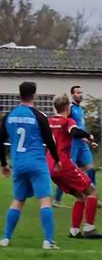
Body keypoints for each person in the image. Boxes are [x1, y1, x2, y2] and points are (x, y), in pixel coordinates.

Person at [0, 82, 61, 249]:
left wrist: (4, 164)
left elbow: (0, 140)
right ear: (34, 95)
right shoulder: (38, 116)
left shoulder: (9, 115)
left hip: (18, 164)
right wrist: (57, 159)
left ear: (19, 94)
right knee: (45, 200)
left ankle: (5, 238)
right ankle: (48, 241)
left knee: (18, 200)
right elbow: (49, 140)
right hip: (36, 163)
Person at [46, 94, 102, 239]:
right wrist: (89, 136)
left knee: (80, 196)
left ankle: (74, 231)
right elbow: (74, 131)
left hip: (50, 166)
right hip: (62, 164)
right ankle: (89, 229)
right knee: (93, 192)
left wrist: (85, 139)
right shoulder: (68, 121)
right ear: (68, 107)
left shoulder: (48, 121)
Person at [53, 86, 102, 209]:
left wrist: (88, 140)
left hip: (82, 143)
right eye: (78, 93)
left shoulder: (80, 109)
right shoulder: (70, 109)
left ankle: (94, 199)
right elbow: (67, 127)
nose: (80, 95)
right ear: (72, 95)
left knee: (91, 169)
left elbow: (80, 128)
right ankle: (56, 200)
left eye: (81, 92)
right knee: (66, 170)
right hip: (73, 143)